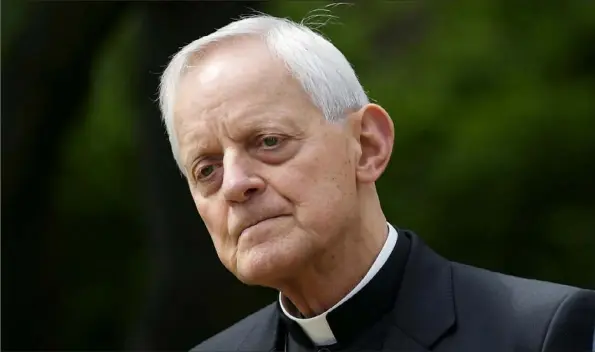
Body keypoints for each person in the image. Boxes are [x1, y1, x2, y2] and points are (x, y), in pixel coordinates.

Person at [158, 14, 595, 352]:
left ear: (367, 146)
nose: (235, 184)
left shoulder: (537, 333)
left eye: (269, 141)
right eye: (207, 169)